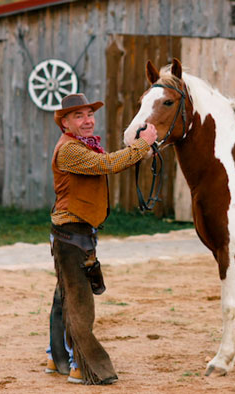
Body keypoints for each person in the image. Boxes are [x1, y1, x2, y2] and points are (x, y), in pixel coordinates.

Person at [44, 93, 157, 385]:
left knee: (64, 297)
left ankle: (56, 358)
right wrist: (142, 145)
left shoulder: (80, 146)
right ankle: (87, 367)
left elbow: (107, 160)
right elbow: (106, 164)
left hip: (74, 233)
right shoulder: (70, 150)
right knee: (80, 302)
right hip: (73, 235)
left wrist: (137, 149)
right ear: (65, 122)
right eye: (79, 116)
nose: (87, 121)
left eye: (89, 115)